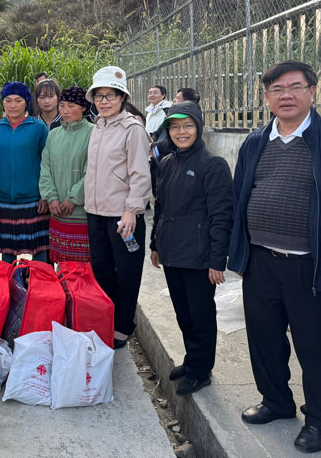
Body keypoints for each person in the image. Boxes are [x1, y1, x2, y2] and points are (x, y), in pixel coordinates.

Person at [228, 61, 321, 454]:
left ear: (313, 90)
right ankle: (276, 402)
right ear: (266, 97)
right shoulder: (254, 141)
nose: (285, 95)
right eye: (276, 89)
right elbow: (239, 197)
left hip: (311, 266)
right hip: (261, 260)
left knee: (317, 346)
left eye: (295, 87)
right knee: (264, 339)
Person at [149, 100, 232, 396]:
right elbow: (160, 206)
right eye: (174, 126)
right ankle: (192, 359)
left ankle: (200, 370)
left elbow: (222, 216)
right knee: (183, 313)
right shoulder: (168, 163)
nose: (181, 132)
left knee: (201, 315)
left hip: (198, 256)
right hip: (172, 253)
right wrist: (155, 244)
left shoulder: (213, 165)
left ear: (198, 127)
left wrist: (217, 260)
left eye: (187, 126)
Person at [84, 66, 152, 349]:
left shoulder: (132, 128)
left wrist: (131, 211)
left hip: (122, 217)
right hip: (96, 212)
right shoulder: (98, 126)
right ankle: (105, 319)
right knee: (101, 269)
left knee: (126, 272)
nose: (104, 101)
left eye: (110, 95)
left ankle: (123, 326)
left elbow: (140, 173)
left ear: (122, 97)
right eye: (99, 95)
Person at [0, 82, 49, 265]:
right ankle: (10, 291)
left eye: (18, 100)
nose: (13, 105)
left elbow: (47, 164)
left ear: (26, 103)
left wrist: (45, 195)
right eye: (8, 100)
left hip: (33, 200)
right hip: (3, 201)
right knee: (7, 255)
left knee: (39, 253)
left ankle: (40, 290)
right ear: (3, 103)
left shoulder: (38, 128)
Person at [39, 86, 94, 263]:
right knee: (61, 264)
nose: (65, 111)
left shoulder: (93, 133)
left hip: (81, 212)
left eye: (71, 106)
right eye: (62, 106)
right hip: (57, 212)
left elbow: (93, 171)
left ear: (83, 107)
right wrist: (51, 197)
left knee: (82, 266)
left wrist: (74, 198)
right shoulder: (53, 135)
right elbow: (45, 168)